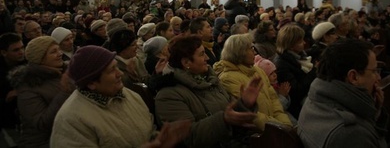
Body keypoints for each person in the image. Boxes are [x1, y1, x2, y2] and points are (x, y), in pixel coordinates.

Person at [51, 45, 191, 148]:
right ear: (92, 83)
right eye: (112, 70)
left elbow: (147, 131)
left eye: (117, 67)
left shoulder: (129, 95)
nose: (120, 74)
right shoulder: (72, 120)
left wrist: (159, 140)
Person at [155, 35, 263, 148]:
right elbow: (188, 137)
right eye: (202, 54)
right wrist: (223, 120)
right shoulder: (168, 95)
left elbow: (231, 113)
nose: (207, 58)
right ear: (186, 63)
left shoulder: (210, 81)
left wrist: (244, 103)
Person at [297, 39, 389, 147]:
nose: (378, 78)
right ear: (353, 77)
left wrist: (375, 112)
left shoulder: (316, 98)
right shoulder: (351, 133)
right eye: (374, 71)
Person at [214, 34, 292, 131]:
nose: (254, 52)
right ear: (240, 52)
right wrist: (278, 127)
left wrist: (285, 123)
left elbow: (274, 99)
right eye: (250, 48)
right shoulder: (228, 78)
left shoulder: (257, 70)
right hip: (260, 133)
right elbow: (251, 114)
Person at [8, 36, 69, 148]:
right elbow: (41, 123)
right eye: (53, 52)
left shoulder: (64, 72)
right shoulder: (28, 86)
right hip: (43, 142)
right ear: (40, 58)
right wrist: (65, 92)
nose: (60, 53)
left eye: (59, 49)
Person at [274, 24, 316, 119]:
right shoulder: (282, 64)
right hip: (297, 106)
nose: (304, 43)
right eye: (300, 41)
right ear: (291, 45)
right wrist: (314, 72)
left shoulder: (301, 56)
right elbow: (296, 91)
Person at [0, 33, 26, 129]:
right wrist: (5, 99)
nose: (21, 52)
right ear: (4, 52)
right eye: (16, 50)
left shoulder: (27, 63)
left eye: (22, 48)